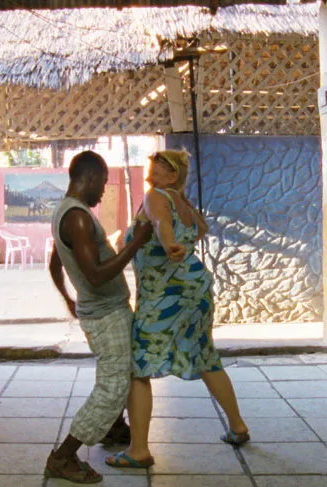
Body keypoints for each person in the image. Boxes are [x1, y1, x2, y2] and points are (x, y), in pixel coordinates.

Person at [106, 149, 249, 469]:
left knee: (137, 365)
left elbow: (161, 223)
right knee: (206, 357)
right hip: (197, 290)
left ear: (173, 176)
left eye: (156, 172)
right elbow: (201, 229)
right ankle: (238, 427)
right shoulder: (182, 202)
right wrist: (175, 227)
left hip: (165, 296)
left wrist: (169, 243)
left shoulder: (156, 196)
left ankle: (138, 450)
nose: (149, 177)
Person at [45, 150, 154, 483]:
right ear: (90, 178)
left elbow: (55, 262)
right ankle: (63, 457)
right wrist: (135, 244)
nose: (103, 191)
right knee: (113, 386)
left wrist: (68, 298)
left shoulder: (65, 212)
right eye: (103, 183)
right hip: (106, 316)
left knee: (121, 370)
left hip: (101, 311)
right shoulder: (77, 218)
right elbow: (94, 275)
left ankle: (113, 426)